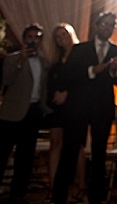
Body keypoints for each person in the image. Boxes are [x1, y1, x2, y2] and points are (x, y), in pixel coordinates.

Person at [51, 11, 117, 204]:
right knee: (70, 150)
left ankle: (96, 199)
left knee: (99, 154)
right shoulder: (80, 49)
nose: (107, 28)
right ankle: (58, 198)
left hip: (103, 107)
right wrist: (91, 71)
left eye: (111, 25)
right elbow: (68, 76)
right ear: (96, 25)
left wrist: (113, 70)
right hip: (79, 107)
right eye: (104, 24)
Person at [0, 24, 50, 201]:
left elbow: (44, 88)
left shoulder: (44, 62)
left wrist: (45, 108)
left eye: (37, 37)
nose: (33, 40)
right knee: (1, 154)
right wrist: (21, 60)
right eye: (30, 37)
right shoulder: (13, 58)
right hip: (12, 113)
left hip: (33, 113)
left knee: (25, 157)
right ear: (24, 39)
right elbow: (7, 80)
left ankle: (17, 195)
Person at [46, 23, 85, 200]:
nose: (61, 39)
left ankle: (81, 184)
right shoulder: (56, 61)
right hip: (56, 107)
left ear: (71, 34)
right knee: (55, 144)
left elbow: (84, 81)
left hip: (75, 106)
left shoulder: (81, 56)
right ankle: (54, 186)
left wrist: (67, 94)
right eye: (58, 37)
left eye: (64, 34)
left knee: (75, 146)